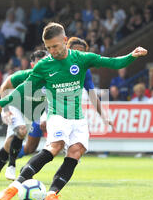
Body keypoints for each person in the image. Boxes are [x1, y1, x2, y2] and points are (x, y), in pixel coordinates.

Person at [0, 22, 147, 200]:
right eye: (48, 48)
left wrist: (132, 56)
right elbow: (25, 87)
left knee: (76, 152)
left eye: (55, 46)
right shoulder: (44, 66)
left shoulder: (81, 58)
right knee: (55, 147)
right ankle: (14, 187)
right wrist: (2, 102)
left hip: (78, 118)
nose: (52, 51)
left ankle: (52, 194)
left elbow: (112, 62)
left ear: (65, 41)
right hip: (57, 115)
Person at [14, 37, 112, 167]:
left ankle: (34, 169)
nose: (80, 55)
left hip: (67, 113)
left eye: (82, 52)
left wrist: (104, 116)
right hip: (44, 107)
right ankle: (8, 157)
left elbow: (92, 95)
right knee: (30, 148)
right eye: (76, 51)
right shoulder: (51, 63)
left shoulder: (84, 70)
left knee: (64, 147)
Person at [0, 50, 49, 184]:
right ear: (32, 64)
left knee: (9, 144)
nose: (43, 65)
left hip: (30, 113)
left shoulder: (51, 80)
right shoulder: (23, 75)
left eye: (46, 62)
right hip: (13, 107)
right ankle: (11, 166)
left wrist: (45, 117)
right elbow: (4, 87)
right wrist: (5, 109)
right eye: (40, 62)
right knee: (22, 131)